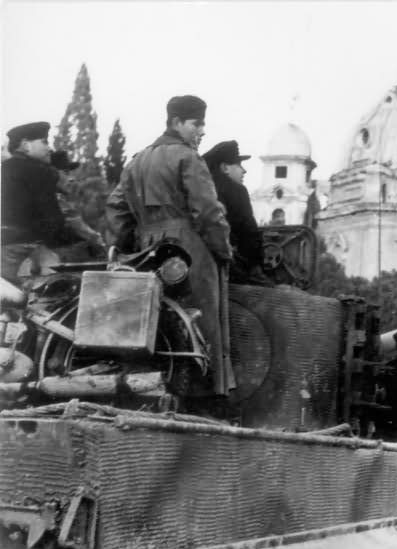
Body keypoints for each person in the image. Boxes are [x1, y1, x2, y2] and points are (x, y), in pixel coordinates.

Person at [106, 95, 235, 395]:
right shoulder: (188, 157)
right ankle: (204, 393)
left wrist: (127, 244)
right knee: (200, 318)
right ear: (176, 122)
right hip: (189, 250)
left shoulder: (137, 159)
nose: (202, 131)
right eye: (196, 124)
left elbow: (115, 207)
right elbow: (207, 211)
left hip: (146, 251)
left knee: (154, 319)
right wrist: (223, 249)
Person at [1, 121, 82, 283]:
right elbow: (53, 218)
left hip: (4, 246)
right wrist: (74, 241)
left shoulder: (4, 168)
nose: (49, 148)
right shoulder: (40, 171)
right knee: (60, 285)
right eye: (44, 142)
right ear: (26, 145)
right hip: (30, 245)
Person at [202, 140, 268, 285]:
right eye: (239, 165)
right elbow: (249, 234)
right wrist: (256, 268)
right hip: (232, 270)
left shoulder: (200, 189)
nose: (244, 171)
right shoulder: (237, 190)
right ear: (225, 167)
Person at [50, 150, 106, 256]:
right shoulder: (54, 199)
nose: (71, 179)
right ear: (52, 173)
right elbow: (79, 227)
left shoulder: (56, 197)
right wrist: (100, 241)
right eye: (66, 172)